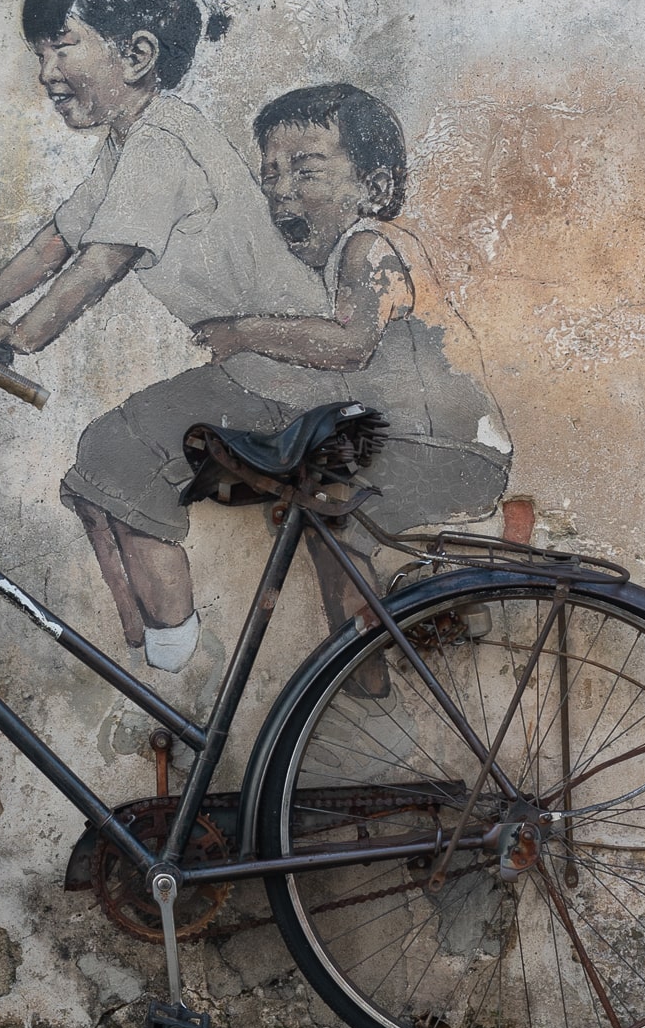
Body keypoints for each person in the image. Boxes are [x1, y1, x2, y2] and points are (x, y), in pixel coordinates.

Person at [0, 0, 324, 671]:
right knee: (97, 473)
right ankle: (144, 654)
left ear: (138, 54)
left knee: (120, 459)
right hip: (253, 369)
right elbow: (54, 242)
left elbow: (99, 264)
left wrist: (18, 336)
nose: (46, 72)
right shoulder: (129, 143)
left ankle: (179, 663)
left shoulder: (164, 142)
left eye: (61, 46)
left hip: (283, 369)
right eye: (39, 53)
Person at [194, 83, 513, 633]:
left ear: (374, 188)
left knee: (330, 513)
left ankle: (368, 654)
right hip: (435, 445)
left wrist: (242, 333)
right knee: (324, 519)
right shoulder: (350, 255)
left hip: (447, 447)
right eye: (270, 174)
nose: (281, 191)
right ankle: (413, 622)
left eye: (306, 172)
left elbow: (350, 344)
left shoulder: (369, 245)